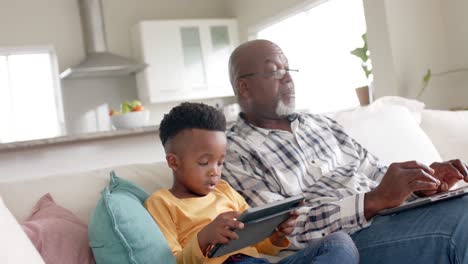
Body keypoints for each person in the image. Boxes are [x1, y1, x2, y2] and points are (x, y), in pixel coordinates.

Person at [222, 39, 468, 264]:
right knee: (462, 225)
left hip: (392, 216)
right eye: (275, 71)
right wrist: (372, 201)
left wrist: (420, 185)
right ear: (244, 87)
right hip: (346, 242)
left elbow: (379, 177)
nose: (288, 79)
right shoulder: (233, 150)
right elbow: (281, 231)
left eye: (289, 70)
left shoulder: (321, 123)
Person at [144, 102, 359, 264]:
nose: (215, 172)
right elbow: (170, 261)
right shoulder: (162, 203)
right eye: (204, 162)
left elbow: (257, 243)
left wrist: (276, 232)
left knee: (339, 243)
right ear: (174, 162)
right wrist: (204, 238)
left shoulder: (225, 191)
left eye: (220, 163)